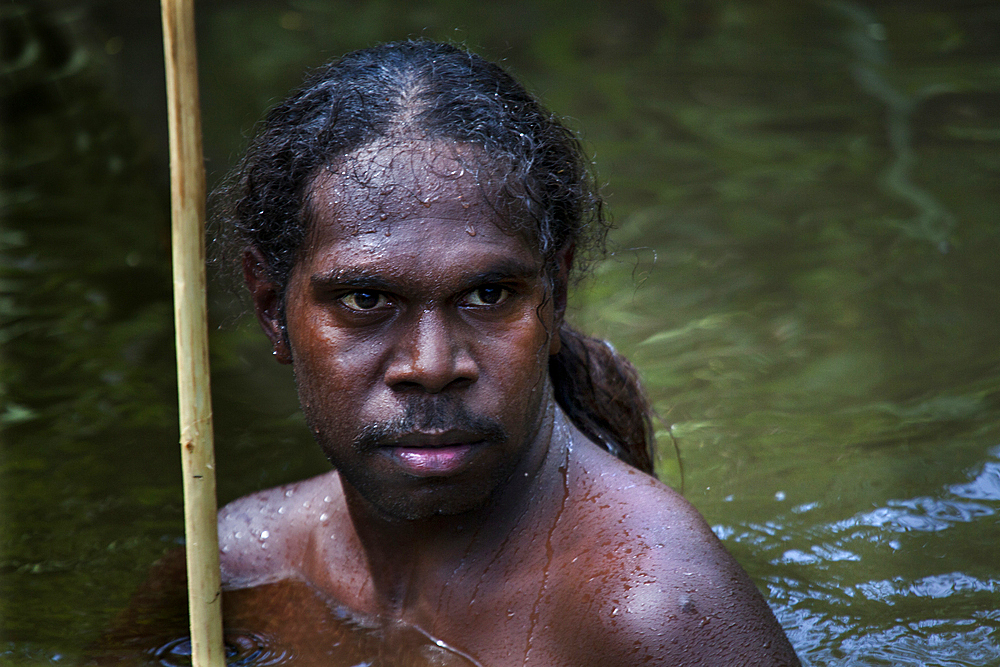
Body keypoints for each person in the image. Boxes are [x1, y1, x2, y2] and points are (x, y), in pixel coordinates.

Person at [212, 40, 800, 666]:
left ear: (558, 294)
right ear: (272, 307)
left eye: (488, 294)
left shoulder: (657, 612)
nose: (433, 366)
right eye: (365, 299)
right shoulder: (240, 564)